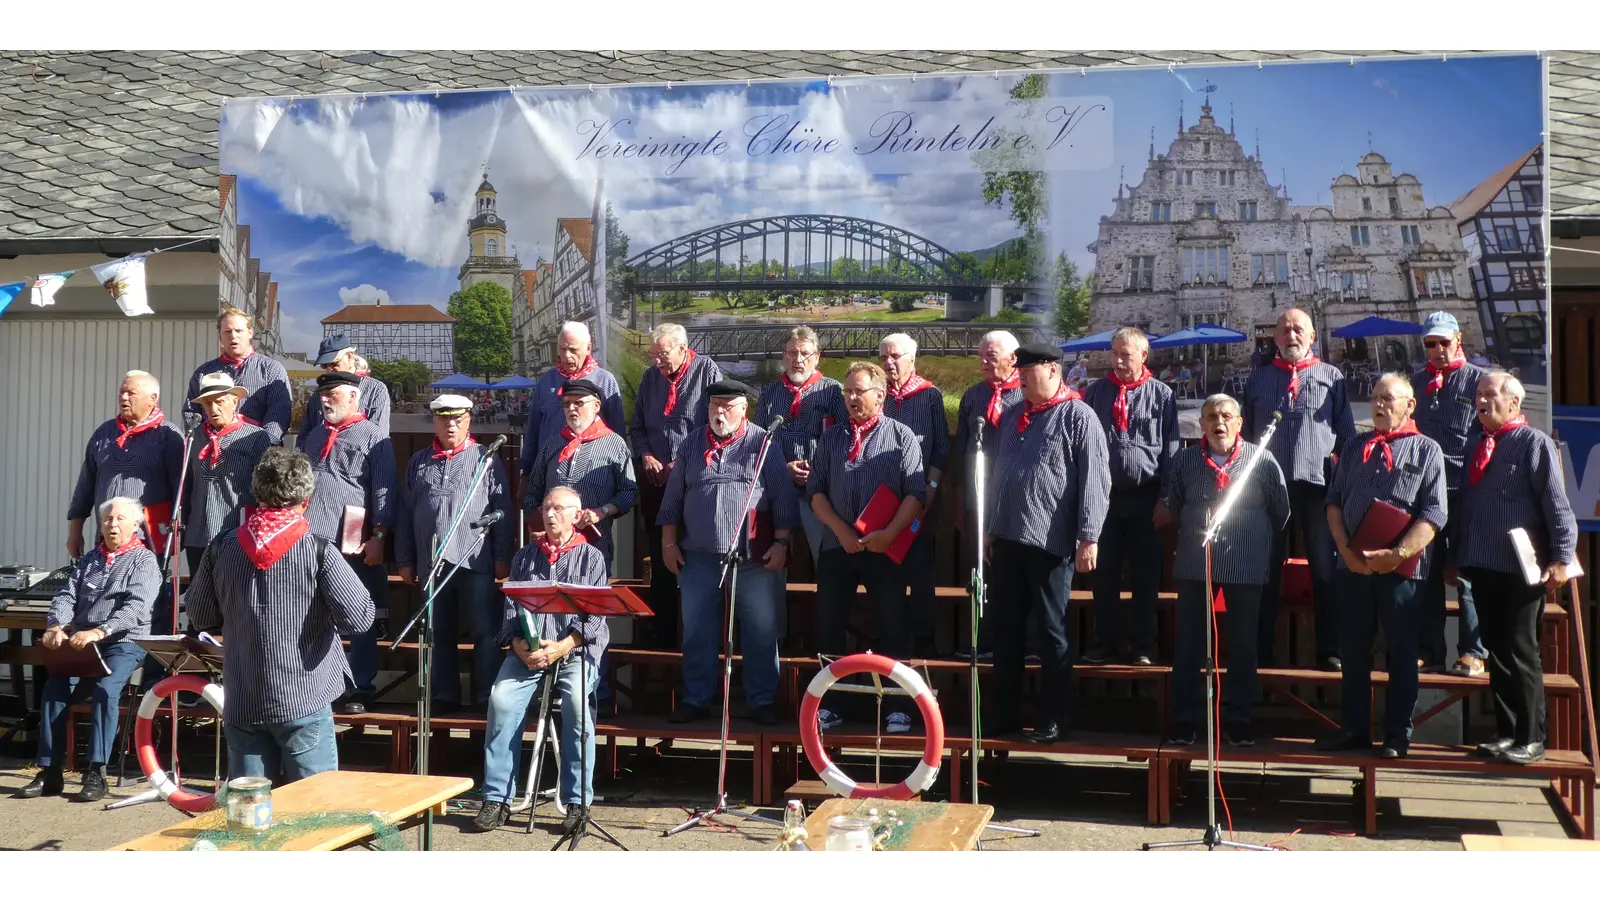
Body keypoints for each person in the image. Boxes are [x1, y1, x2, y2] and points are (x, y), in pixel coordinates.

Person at [185, 448, 375, 782]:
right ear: (307, 498)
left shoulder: (221, 547)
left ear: (257, 492)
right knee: (314, 815)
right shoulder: (317, 550)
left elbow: (200, 615)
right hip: (303, 696)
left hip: (243, 697)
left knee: (250, 818)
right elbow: (359, 619)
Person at [1316, 374, 1447, 759]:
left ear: (1409, 405)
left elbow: (1435, 512)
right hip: (1353, 567)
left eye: (1388, 398)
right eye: (1374, 398)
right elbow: (1334, 501)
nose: (1378, 405)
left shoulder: (1427, 450)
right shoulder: (1356, 447)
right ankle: (1354, 729)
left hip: (1403, 572)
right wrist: (1344, 549)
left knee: (1402, 652)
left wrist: (1399, 553)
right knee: (1353, 650)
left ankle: (1396, 735)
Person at [984, 343, 1109, 744]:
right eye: (1018, 369)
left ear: (1052, 369)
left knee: (1052, 633)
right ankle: (1004, 715)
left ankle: (1055, 718)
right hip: (1007, 538)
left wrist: (1089, 536)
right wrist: (990, 526)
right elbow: (998, 475)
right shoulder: (1012, 416)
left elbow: (1096, 481)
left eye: (1028, 369)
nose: (1019, 375)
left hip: (1050, 542)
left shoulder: (1079, 416)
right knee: (1005, 632)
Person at [1453, 372, 1578, 765]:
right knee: (1497, 650)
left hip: (1521, 569)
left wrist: (1561, 557)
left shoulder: (1533, 444)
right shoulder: (1478, 444)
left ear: (1514, 403)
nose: (1482, 401)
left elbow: (1558, 506)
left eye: (1491, 395)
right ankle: (1507, 733)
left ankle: (1532, 737)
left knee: (1521, 650)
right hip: (1482, 565)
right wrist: (1455, 557)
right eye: (1479, 395)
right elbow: (1464, 506)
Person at [658, 380, 798, 726]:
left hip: (753, 559)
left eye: (727, 406)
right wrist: (668, 543)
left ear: (743, 409)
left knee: (761, 630)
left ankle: (762, 699)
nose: (719, 413)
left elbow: (782, 497)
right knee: (697, 630)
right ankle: (695, 698)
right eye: (714, 406)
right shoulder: (692, 443)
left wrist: (781, 543)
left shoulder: (763, 443)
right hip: (697, 556)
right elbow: (673, 497)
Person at [473, 486, 609, 834]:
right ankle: (497, 798)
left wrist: (561, 647)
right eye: (546, 508)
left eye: (558, 509)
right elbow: (509, 614)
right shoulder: (524, 558)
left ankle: (578, 803)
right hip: (528, 653)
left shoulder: (591, 558)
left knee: (578, 707)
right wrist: (519, 646)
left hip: (574, 650)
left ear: (577, 515)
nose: (549, 515)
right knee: (501, 700)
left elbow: (593, 622)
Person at [806, 361, 925, 733]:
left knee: (891, 625)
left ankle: (897, 707)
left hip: (884, 547)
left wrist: (889, 533)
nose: (852, 398)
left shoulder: (902, 436)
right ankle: (832, 704)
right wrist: (841, 532)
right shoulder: (831, 438)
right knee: (830, 626)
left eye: (859, 391)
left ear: (880, 395)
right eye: (847, 392)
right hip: (836, 545)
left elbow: (915, 496)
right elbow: (816, 493)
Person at [1164, 396, 1289, 747]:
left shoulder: (1261, 460)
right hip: (1195, 562)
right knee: (1189, 642)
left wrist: (1250, 535)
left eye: (1226, 416)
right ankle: (1185, 719)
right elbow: (1175, 505)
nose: (1219, 423)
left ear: (1239, 423)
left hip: (1246, 563)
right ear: (1201, 424)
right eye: (1211, 417)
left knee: (1243, 643)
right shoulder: (1185, 460)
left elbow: (1281, 509)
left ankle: (1237, 718)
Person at [18, 498, 159, 802]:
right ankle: (50, 772)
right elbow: (66, 597)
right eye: (107, 519)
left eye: (120, 519)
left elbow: (135, 608)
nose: (112, 524)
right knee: (54, 687)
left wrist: (100, 631)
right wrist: (57, 626)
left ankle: (97, 771)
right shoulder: (89, 560)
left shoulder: (145, 561)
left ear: (135, 524)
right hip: (82, 640)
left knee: (106, 691)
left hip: (124, 641)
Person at [1244, 308, 1356, 670]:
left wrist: (1348, 488)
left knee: (1325, 570)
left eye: (1299, 330)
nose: (1291, 336)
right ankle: (1260, 650)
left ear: (1311, 336)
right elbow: (1243, 440)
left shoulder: (1331, 377)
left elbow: (1347, 438)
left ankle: (1330, 649)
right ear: (1274, 337)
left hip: (1319, 487)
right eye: (1284, 330)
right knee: (1265, 571)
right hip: (1267, 490)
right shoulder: (1257, 379)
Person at [394, 394, 513, 712]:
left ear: (469, 419)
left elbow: (502, 508)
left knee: (485, 631)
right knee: (437, 632)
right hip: (431, 563)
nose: (451, 424)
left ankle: (487, 697)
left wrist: (502, 556)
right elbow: (405, 512)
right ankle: (444, 695)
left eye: (458, 418)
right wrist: (405, 559)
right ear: (435, 420)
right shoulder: (418, 461)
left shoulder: (487, 458)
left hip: (475, 561)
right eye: (444, 418)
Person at [1081, 327, 1178, 665]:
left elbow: (1172, 450)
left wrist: (1166, 498)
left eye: (1126, 354)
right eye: (1115, 354)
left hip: (1146, 497)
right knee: (1104, 574)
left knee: (1145, 576)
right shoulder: (1096, 393)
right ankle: (1103, 643)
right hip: (1105, 498)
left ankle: (1142, 647)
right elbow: (1086, 446)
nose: (1119, 361)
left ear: (1143, 356)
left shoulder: (1163, 395)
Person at [302, 371, 396, 714]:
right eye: (322, 394)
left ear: (354, 396)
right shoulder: (312, 437)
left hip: (354, 542)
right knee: (312, 615)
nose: (324, 399)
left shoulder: (375, 437)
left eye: (332, 393)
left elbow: (384, 489)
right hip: (312, 542)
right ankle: (318, 684)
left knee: (359, 615)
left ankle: (360, 686)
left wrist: (379, 536)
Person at [628, 323, 722, 647]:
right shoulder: (650, 378)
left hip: (694, 484)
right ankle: (663, 643)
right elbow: (637, 427)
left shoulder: (707, 370)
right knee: (662, 564)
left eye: (663, 354)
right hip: (656, 486)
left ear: (683, 348)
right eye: (653, 355)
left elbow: (718, 426)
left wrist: (681, 461)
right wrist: (646, 456)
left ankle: (700, 646)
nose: (657, 361)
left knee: (696, 567)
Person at [1409, 312, 1491, 677]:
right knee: (1425, 576)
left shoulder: (1478, 381)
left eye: (1444, 342)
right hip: (1427, 494)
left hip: (1466, 492)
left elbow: (1492, 432)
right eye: (1431, 343)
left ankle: (1473, 652)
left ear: (1458, 339)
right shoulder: (1416, 382)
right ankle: (1429, 648)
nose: (1438, 349)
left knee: (1467, 574)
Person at [950, 330, 1023, 659]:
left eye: (990, 356)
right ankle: (983, 640)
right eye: (981, 356)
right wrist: (961, 499)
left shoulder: (1028, 394)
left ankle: (1024, 644)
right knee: (982, 570)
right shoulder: (973, 396)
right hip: (980, 497)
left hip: (1018, 501)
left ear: (1012, 359)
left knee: (1018, 573)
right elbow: (961, 450)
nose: (983, 361)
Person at [754, 325, 847, 578]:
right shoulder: (769, 393)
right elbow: (756, 441)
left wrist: (818, 470)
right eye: (792, 353)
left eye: (805, 353)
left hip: (819, 491)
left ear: (816, 357)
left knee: (828, 559)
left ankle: (829, 613)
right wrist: (782, 469)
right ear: (784, 356)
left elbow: (846, 440)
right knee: (772, 561)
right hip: (777, 489)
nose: (798, 360)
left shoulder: (835, 392)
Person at [878, 333, 949, 658]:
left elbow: (940, 450)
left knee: (921, 575)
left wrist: (929, 493)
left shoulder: (929, 395)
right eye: (884, 358)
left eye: (896, 356)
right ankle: (888, 646)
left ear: (912, 359)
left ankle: (924, 644)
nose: (889, 363)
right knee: (887, 580)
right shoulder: (876, 396)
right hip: (879, 504)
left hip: (920, 500)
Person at [67, 370, 184, 562]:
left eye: (131, 393)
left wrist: (177, 537)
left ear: (152, 398)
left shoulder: (168, 436)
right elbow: (85, 487)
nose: (123, 397)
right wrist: (75, 533)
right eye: (122, 392)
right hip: (106, 538)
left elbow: (181, 492)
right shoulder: (104, 433)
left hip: (149, 542)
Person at [524, 378, 637, 570]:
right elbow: (532, 494)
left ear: (596, 406)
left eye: (578, 403)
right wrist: (537, 526)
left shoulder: (614, 444)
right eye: (566, 404)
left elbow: (629, 492)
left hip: (593, 548)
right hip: (550, 549)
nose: (571, 408)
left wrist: (602, 512)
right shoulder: (553, 444)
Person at [181, 373, 272, 572]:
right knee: (200, 599)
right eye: (207, 403)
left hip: (237, 535)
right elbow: (186, 486)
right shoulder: (194, 437)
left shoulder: (256, 437)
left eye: (219, 401)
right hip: (198, 536)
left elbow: (266, 492)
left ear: (234, 401)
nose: (213, 409)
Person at [516, 321, 625, 480]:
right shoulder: (546, 381)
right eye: (562, 349)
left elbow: (617, 430)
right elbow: (534, 429)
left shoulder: (605, 381)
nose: (567, 355)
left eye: (573, 350)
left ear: (588, 348)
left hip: (593, 474)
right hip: (549, 474)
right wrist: (526, 473)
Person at [185, 306, 292, 445]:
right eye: (227, 331)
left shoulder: (271, 370)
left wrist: (260, 445)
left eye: (239, 331)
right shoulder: (204, 373)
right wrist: (206, 443)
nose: (233, 336)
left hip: (258, 453)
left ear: (250, 333)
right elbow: (191, 413)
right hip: (212, 450)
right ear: (220, 335)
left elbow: (279, 415)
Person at [296, 334, 392, 447]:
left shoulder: (375, 390)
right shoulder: (318, 395)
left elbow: (378, 440)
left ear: (350, 357)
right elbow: (304, 437)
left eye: (334, 363)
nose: (329, 368)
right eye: (324, 365)